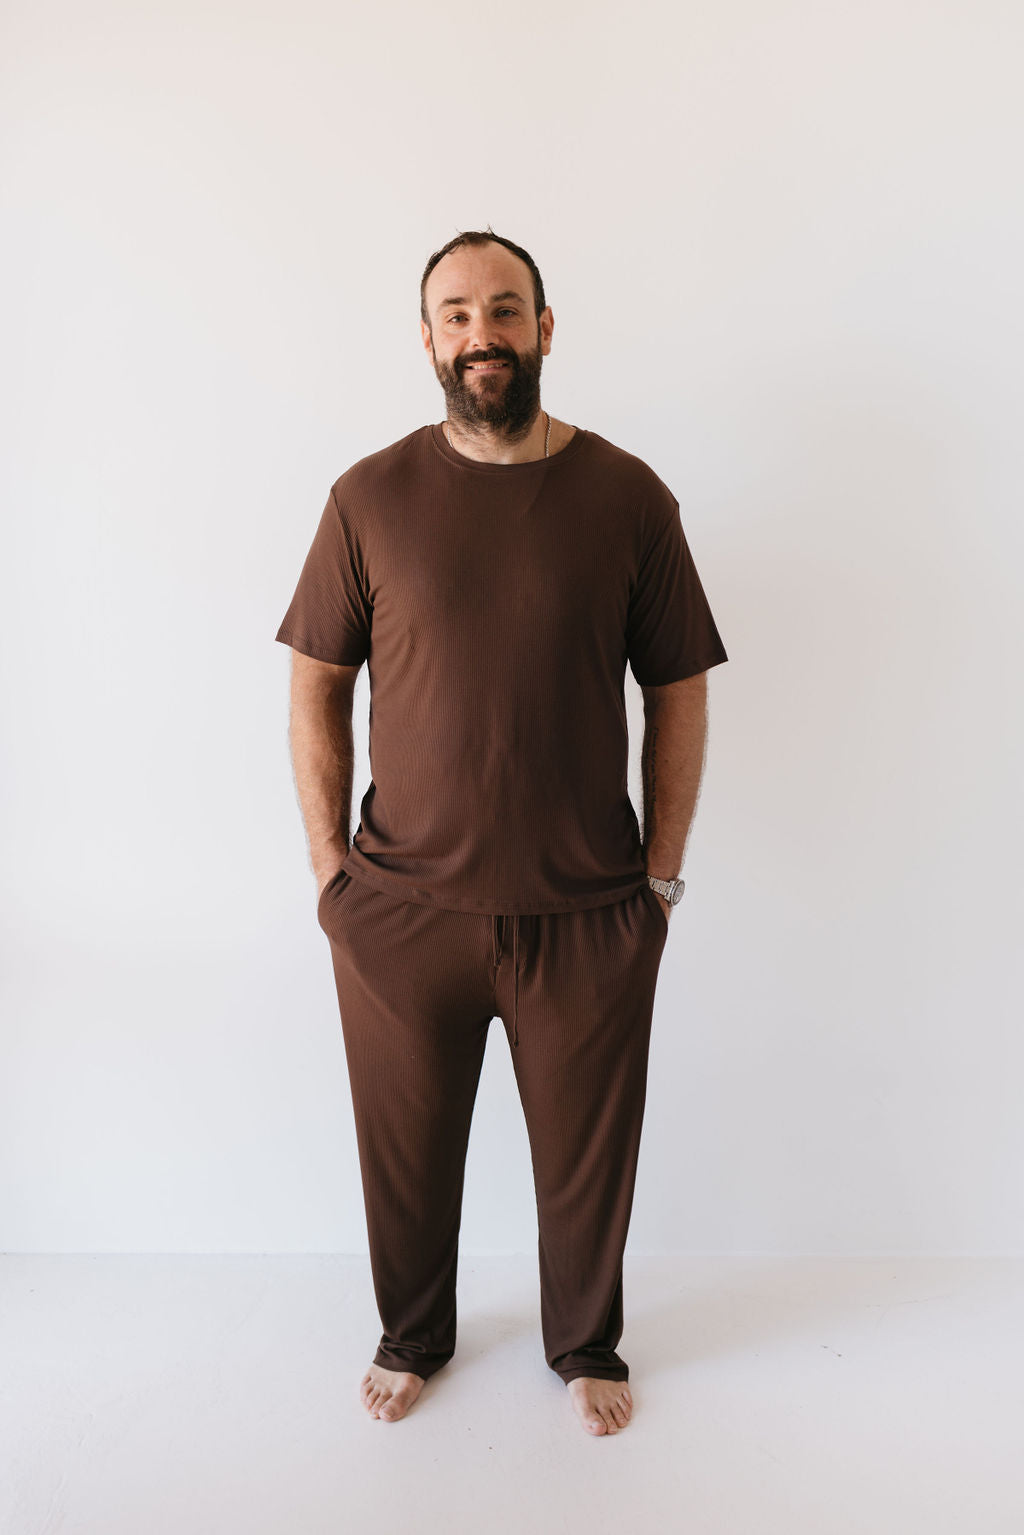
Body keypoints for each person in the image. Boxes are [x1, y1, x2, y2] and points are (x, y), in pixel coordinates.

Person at [275, 228, 729, 1437]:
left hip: (587, 911)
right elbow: (315, 677)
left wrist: (661, 880)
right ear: (428, 338)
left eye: (507, 309)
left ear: (544, 327)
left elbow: (677, 684)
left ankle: (584, 1339)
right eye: (459, 313)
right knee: (405, 1157)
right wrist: (332, 874)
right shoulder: (367, 496)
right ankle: (412, 1334)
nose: (484, 333)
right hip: (401, 913)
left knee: (588, 1159)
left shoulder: (628, 495)